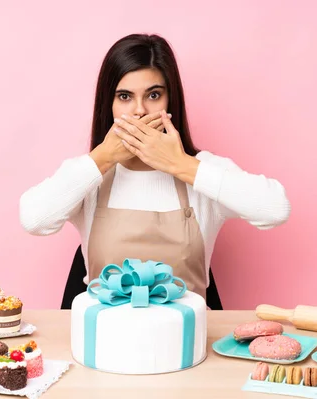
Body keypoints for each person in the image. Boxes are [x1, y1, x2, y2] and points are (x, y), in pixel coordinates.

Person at [19, 33, 291, 309]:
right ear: (108, 105)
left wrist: (180, 164)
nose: (139, 110)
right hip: (105, 345)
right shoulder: (90, 175)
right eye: (124, 96)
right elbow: (33, 218)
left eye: (153, 95)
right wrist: (102, 158)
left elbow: (275, 209)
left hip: (190, 346)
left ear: (170, 101)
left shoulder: (202, 170)